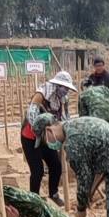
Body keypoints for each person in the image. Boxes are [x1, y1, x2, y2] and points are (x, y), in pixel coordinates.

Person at [22, 70, 78, 205]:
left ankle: (53, 193)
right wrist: (39, 130)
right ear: (57, 85)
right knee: (38, 171)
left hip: (48, 138)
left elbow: (65, 117)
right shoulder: (42, 93)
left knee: (56, 166)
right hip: (31, 137)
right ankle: (33, 200)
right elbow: (32, 113)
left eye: (68, 89)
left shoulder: (63, 99)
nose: (66, 91)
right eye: (64, 88)